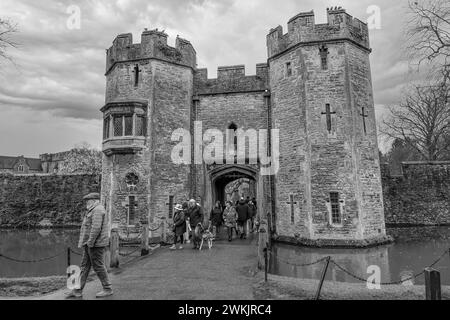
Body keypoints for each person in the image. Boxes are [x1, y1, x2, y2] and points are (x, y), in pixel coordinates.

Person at [66, 193, 113, 299]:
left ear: (94, 200)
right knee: (84, 266)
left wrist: (90, 242)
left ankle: (107, 289)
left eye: (88, 200)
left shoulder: (97, 210)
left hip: (95, 244)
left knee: (98, 266)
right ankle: (77, 291)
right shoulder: (93, 209)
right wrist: (88, 243)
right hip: (90, 244)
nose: (86, 202)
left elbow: (96, 228)